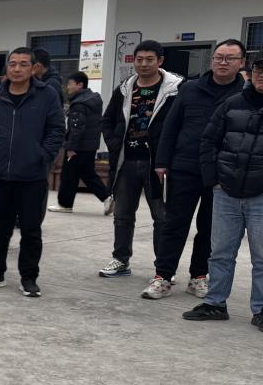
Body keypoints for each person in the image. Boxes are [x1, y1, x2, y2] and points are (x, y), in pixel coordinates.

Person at [184, 46, 263, 334]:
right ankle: (215, 303)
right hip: (226, 193)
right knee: (220, 253)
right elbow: (209, 141)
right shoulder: (233, 103)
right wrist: (214, 181)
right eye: (258, 69)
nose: (262, 75)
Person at [144, 40, 246, 300]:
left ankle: (199, 276)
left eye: (230, 58)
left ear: (242, 63)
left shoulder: (245, 94)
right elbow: (171, 127)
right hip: (184, 168)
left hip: (222, 173)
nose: (223, 62)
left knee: (209, 228)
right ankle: (163, 276)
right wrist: (161, 162)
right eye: (219, 57)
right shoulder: (190, 88)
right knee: (174, 224)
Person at [0, 47, 65, 296]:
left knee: (31, 229)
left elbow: (57, 130)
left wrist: (42, 156)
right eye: (12, 64)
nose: (17, 68)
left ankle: (29, 278)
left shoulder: (47, 95)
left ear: (33, 68)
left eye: (23, 64)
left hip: (32, 176)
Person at [98, 40, 183, 278]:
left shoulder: (175, 90)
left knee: (161, 217)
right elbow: (107, 120)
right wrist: (114, 143)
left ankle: (163, 268)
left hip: (158, 165)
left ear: (160, 61)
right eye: (139, 59)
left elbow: (182, 123)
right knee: (122, 215)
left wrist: (170, 155)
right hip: (127, 162)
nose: (143, 64)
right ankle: (121, 260)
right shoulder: (125, 88)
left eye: (149, 60)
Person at [49, 72, 111, 213]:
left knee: (68, 175)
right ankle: (106, 198)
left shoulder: (79, 103)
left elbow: (76, 128)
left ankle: (65, 204)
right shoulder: (93, 99)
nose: (68, 87)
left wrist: (71, 147)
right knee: (86, 173)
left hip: (78, 146)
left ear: (80, 85)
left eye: (70, 84)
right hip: (90, 145)